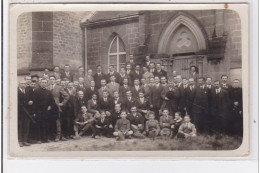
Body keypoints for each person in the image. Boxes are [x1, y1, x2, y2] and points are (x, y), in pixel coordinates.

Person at [34, 79, 57, 143]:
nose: (43, 83)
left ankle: (45, 138)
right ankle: (39, 139)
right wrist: (35, 112)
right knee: (39, 125)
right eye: (42, 82)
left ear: (47, 83)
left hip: (46, 111)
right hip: (39, 111)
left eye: (45, 82)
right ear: (40, 83)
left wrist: (50, 106)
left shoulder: (49, 92)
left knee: (46, 125)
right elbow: (34, 102)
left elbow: (52, 101)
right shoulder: (36, 91)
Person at [48, 76, 70, 142]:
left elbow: (67, 96)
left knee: (57, 121)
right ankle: (51, 136)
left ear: (55, 80)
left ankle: (58, 135)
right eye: (50, 79)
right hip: (49, 107)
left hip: (56, 106)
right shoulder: (47, 87)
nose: (52, 80)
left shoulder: (59, 87)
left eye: (53, 79)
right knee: (50, 122)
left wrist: (62, 103)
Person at [18, 80, 32, 146]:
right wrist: (26, 103)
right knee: (20, 127)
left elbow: (31, 98)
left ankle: (25, 140)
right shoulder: (16, 91)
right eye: (22, 83)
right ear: (19, 84)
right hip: (20, 112)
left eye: (24, 84)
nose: (23, 85)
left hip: (27, 112)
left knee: (26, 126)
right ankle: (20, 141)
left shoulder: (28, 91)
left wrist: (31, 101)